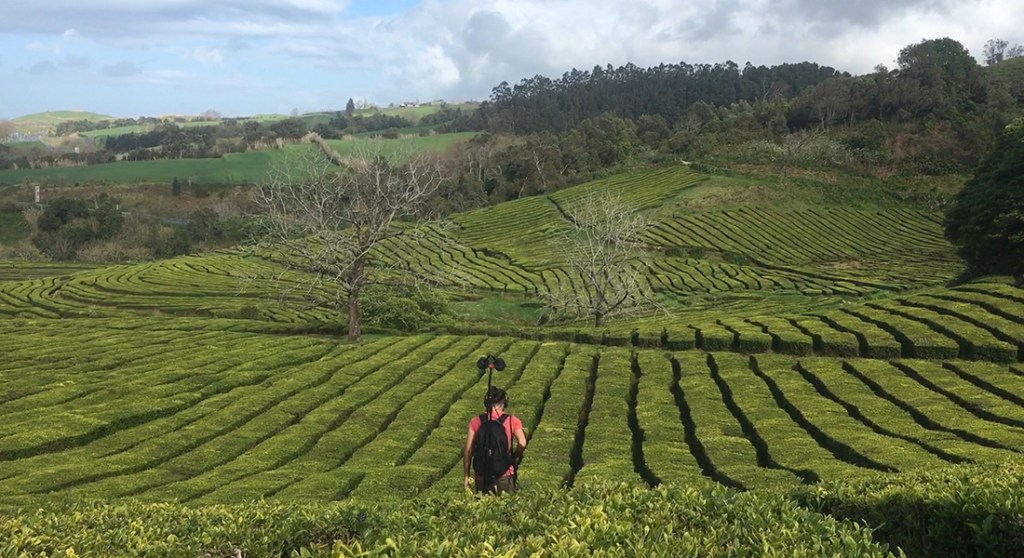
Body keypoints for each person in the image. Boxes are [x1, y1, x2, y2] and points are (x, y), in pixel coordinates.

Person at [463, 386, 527, 494]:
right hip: (504, 473)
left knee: (482, 508)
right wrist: (515, 456)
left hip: (482, 475)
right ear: (504, 403)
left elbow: (468, 450)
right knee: (505, 506)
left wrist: (466, 475)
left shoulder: (476, 421)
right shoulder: (512, 420)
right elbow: (522, 443)